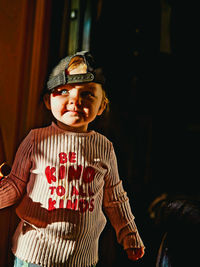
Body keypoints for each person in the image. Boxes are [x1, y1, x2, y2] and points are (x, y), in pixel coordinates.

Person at [0, 51, 145, 267]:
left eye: (87, 94)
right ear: (48, 100)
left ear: (101, 107)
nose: (74, 101)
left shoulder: (104, 148)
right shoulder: (35, 140)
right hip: (34, 254)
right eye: (64, 91)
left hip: (82, 258)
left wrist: (129, 233)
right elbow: (15, 184)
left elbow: (115, 197)